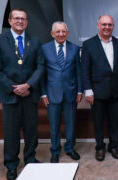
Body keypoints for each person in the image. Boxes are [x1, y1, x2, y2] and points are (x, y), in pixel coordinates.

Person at [0, 8, 45, 180]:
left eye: (23, 19)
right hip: (10, 95)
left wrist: (28, 85)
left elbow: (40, 66)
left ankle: (30, 159)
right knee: (11, 132)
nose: (20, 21)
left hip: (30, 94)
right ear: (10, 21)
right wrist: (14, 88)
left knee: (31, 131)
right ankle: (12, 165)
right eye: (17, 18)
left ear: (27, 22)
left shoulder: (35, 41)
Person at [81, 15, 118, 161]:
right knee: (98, 121)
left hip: (114, 91)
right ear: (98, 25)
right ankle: (100, 147)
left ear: (113, 26)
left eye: (110, 25)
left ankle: (114, 146)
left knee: (115, 121)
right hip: (96, 92)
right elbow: (85, 70)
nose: (107, 27)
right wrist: (88, 90)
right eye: (104, 24)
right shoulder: (88, 44)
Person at [41, 21, 82, 163]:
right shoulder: (44, 49)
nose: (61, 34)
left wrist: (80, 91)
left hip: (71, 92)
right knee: (54, 125)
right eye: (57, 31)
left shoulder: (75, 48)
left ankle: (70, 148)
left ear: (68, 33)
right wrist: (43, 93)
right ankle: (55, 151)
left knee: (71, 123)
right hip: (52, 94)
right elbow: (42, 74)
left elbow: (78, 71)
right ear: (52, 33)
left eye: (63, 31)